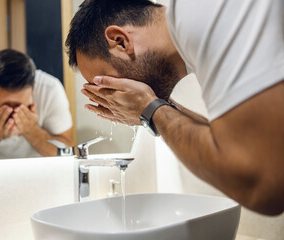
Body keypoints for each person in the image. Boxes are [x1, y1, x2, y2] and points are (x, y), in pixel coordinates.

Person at [65, 0, 284, 215]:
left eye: (105, 84)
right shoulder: (195, 35)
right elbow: (236, 148)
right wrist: (153, 109)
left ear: (120, 41)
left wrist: (149, 110)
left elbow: (263, 185)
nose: (111, 98)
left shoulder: (201, 11)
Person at [0, 49, 73, 160]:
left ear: (33, 89)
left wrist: (31, 131)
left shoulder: (50, 90)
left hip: (40, 169)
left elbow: (68, 154)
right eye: (4, 108)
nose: (12, 116)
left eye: (19, 107)